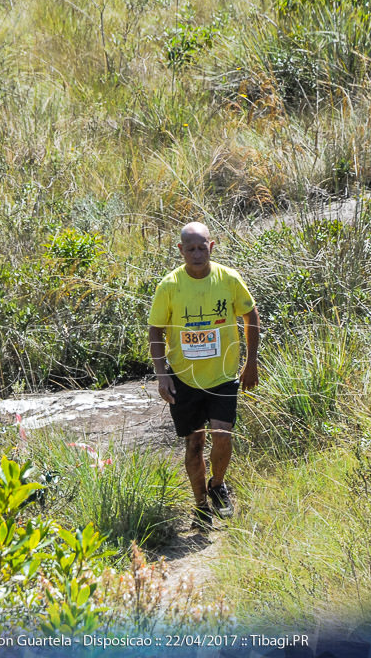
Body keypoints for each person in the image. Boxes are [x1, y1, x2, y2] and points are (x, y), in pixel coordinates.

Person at [148, 222, 260, 532]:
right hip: (184, 379)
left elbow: (251, 315)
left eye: (202, 247)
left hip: (223, 375)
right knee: (194, 445)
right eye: (191, 248)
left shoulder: (228, 279)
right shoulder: (169, 286)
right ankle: (199, 507)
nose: (197, 254)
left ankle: (217, 485)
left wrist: (251, 363)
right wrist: (162, 376)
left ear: (211, 247)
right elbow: (155, 330)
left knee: (223, 437)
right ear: (181, 250)